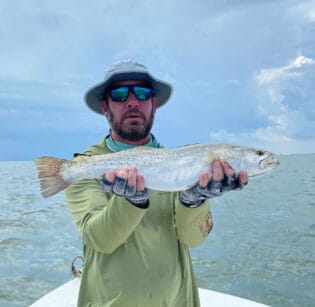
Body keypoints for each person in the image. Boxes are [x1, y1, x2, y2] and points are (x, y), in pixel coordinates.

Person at [65, 60, 248, 307]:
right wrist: (130, 202)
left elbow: (193, 238)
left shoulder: (181, 165)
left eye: (142, 93)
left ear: (153, 104)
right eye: (119, 95)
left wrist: (193, 200)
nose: (132, 101)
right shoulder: (84, 167)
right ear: (105, 107)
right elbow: (100, 239)